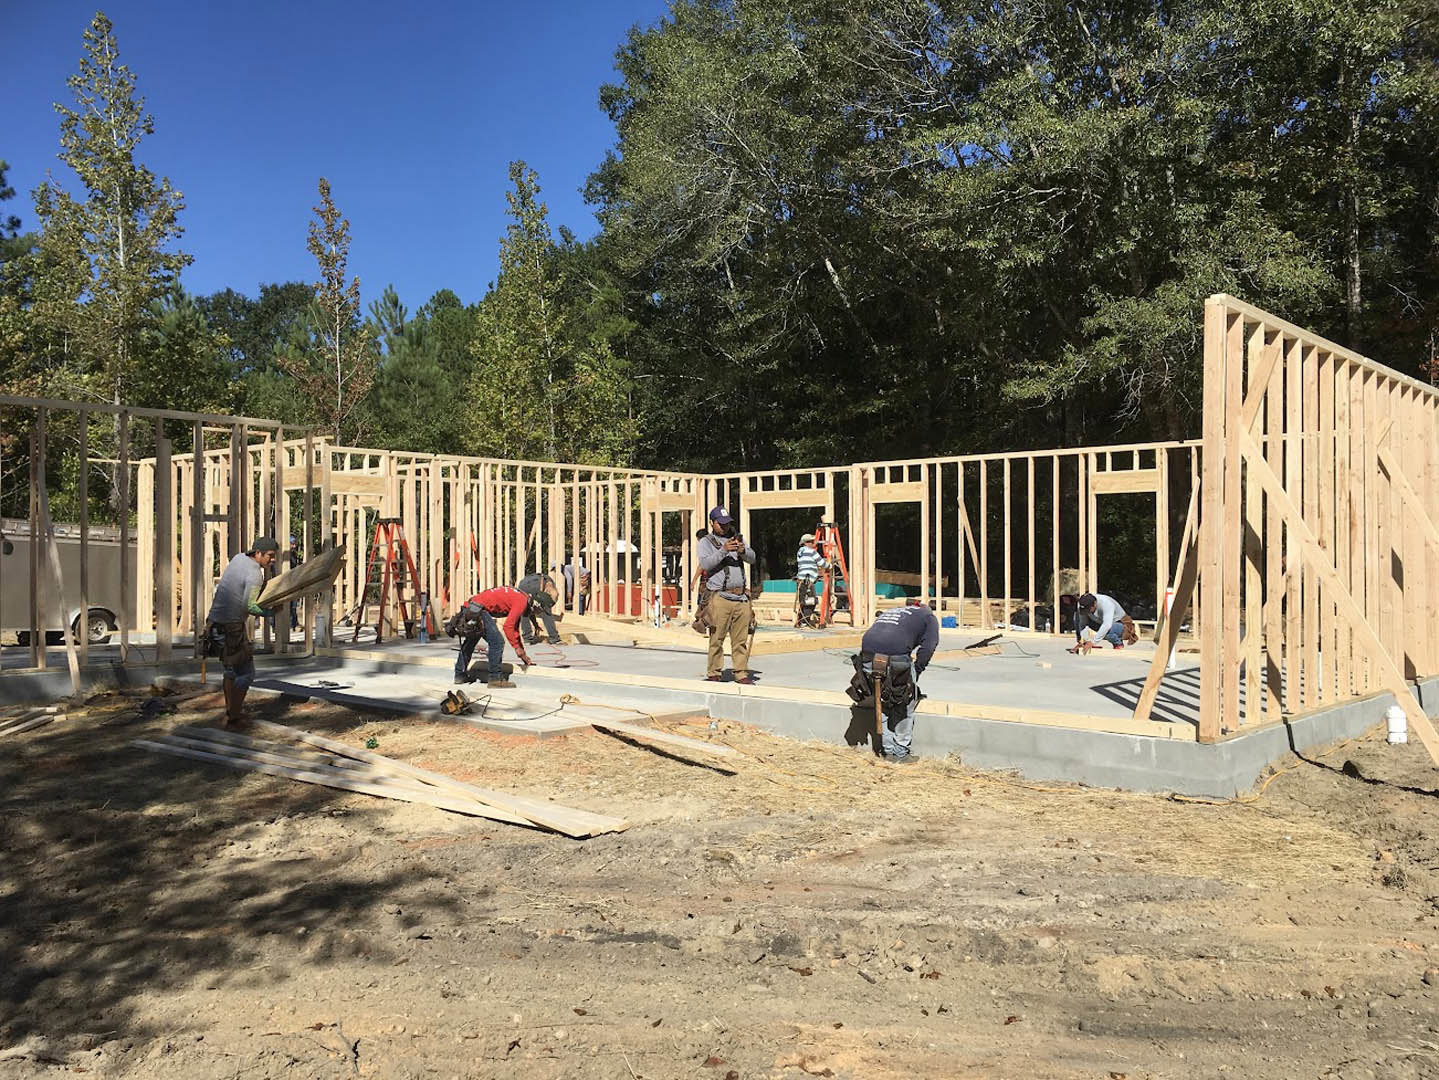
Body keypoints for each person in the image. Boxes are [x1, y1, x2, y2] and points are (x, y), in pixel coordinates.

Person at [206, 537, 279, 728]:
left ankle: (231, 714)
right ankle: (234, 717)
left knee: (230, 671)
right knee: (246, 673)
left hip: (215, 623)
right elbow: (250, 605)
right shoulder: (255, 574)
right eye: (270, 556)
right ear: (258, 553)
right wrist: (270, 612)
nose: (272, 560)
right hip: (231, 628)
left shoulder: (238, 558)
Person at [853, 599, 939, 763]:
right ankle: (900, 754)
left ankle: (888, 750)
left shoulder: (896, 612)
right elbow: (929, 647)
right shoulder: (929, 617)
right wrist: (916, 671)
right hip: (895, 657)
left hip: (867, 656)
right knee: (904, 702)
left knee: (883, 698)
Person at [698, 506, 756, 683]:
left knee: (740, 639)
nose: (724, 527)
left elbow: (752, 558)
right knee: (717, 638)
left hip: (740, 597)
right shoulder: (706, 542)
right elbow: (706, 564)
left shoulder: (737, 539)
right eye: (720, 524)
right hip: (720, 597)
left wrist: (742, 551)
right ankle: (714, 673)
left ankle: (741, 673)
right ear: (712, 523)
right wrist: (723, 550)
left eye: (727, 524)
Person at [448, 586, 534, 686]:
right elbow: (508, 627)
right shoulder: (522, 601)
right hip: (479, 610)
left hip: (471, 608)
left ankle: (459, 675)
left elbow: (514, 628)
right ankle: (495, 679)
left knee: (471, 641)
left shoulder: (518, 595)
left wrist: (521, 650)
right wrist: (517, 647)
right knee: (497, 642)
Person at [1070, 592, 1138, 652]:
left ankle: (1118, 643)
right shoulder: (1081, 604)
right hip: (1101, 622)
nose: (1087, 612)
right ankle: (1080, 642)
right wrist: (1085, 641)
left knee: (1106, 630)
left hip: (1121, 625)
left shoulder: (1106, 603)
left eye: (1088, 610)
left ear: (1094, 604)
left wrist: (1093, 642)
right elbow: (1082, 624)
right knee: (1077, 617)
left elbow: (1106, 625)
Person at [516, 572, 563, 645]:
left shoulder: (544, 580)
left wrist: (536, 625)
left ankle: (527, 638)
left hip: (522, 586)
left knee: (525, 611)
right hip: (534, 586)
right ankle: (554, 638)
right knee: (546, 612)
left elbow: (531, 610)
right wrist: (546, 607)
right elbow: (554, 594)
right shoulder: (550, 584)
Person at [794, 531, 826, 628]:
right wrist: (829, 565)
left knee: (803, 600)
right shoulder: (811, 552)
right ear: (806, 543)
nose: (813, 544)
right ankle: (805, 622)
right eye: (811, 542)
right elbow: (822, 563)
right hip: (808, 581)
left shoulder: (800, 552)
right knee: (811, 601)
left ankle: (802, 621)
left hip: (801, 580)